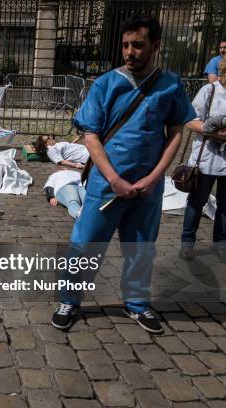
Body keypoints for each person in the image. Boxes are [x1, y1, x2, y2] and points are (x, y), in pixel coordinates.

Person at [51, 15, 196, 334]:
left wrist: (157, 175)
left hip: (147, 187)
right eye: (126, 45)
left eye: (138, 45)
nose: (130, 52)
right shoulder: (106, 84)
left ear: (155, 46)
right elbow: (90, 135)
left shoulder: (171, 85)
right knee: (86, 243)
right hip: (107, 184)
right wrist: (113, 178)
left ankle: (137, 304)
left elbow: (175, 133)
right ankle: (70, 300)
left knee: (141, 247)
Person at [180, 58, 226, 260]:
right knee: (197, 201)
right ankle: (187, 243)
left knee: (225, 205)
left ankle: (221, 244)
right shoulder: (209, 91)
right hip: (206, 157)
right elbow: (190, 120)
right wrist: (216, 134)